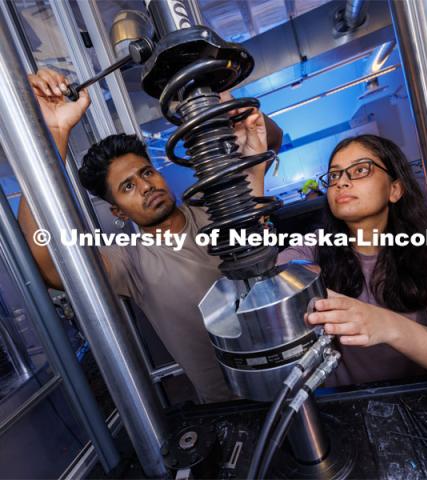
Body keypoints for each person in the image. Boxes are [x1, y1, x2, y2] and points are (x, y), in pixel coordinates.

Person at [19, 68, 282, 403]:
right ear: (118, 212)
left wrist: (234, 111)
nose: (146, 187)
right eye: (128, 187)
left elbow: (268, 143)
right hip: (230, 407)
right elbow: (47, 265)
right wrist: (54, 133)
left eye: (146, 172)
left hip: (294, 370)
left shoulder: (212, 205)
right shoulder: (130, 262)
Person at [278, 134, 427, 387]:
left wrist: (385, 324)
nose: (342, 182)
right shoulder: (316, 245)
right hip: (345, 404)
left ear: (394, 189)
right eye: (334, 175)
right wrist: (255, 176)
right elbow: (260, 279)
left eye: (360, 170)